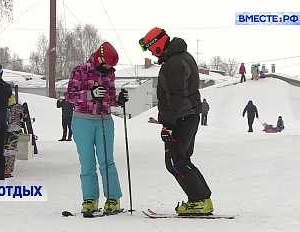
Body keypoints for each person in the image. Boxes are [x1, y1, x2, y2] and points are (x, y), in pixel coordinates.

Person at [139, 27, 213, 215]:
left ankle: (199, 201)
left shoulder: (174, 63)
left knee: (174, 161)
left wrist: (169, 125)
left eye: (150, 48)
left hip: (182, 117)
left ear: (157, 46)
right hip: (188, 115)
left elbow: (176, 96)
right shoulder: (181, 57)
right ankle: (202, 200)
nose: (150, 52)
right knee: (181, 160)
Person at [65, 42, 129, 214]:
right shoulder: (80, 71)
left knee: (107, 160)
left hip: (104, 120)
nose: (109, 69)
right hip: (82, 120)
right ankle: (90, 199)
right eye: (107, 65)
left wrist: (119, 100)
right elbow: (70, 96)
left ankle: (113, 198)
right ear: (100, 60)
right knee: (87, 162)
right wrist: (90, 94)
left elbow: (110, 97)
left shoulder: (110, 75)